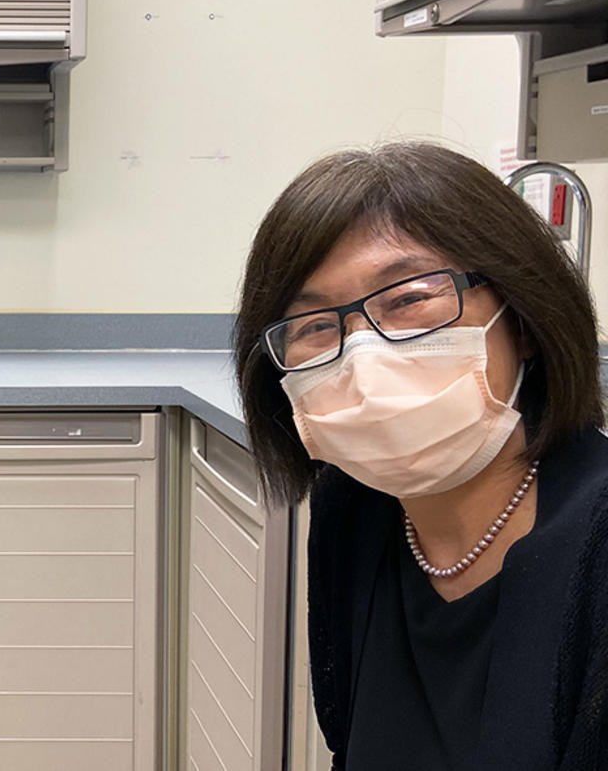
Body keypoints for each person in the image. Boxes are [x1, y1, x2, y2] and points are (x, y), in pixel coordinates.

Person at [234, 142, 608, 770]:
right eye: (316, 326)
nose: (364, 357)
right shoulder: (353, 513)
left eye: (409, 300)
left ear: (521, 317)